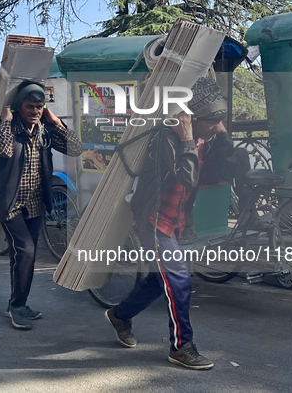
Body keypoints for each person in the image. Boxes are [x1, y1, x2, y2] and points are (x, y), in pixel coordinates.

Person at [105, 77, 237, 370]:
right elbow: (187, 178)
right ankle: (181, 346)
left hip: (174, 220)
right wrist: (188, 136)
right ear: (189, 118)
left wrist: (221, 132)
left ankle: (119, 315)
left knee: (158, 279)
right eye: (212, 122)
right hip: (153, 219)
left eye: (220, 121)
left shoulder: (206, 138)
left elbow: (226, 170)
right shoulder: (168, 137)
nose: (217, 127)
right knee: (179, 279)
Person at [0, 81, 82, 330]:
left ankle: (17, 303)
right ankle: (17, 306)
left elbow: (75, 148)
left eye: (40, 107)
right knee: (26, 251)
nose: (35, 111)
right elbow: (3, 150)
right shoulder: (4, 128)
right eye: (30, 106)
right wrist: (6, 121)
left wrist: (56, 121)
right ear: (19, 107)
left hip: (35, 202)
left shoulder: (44, 130)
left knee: (22, 254)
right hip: (9, 203)